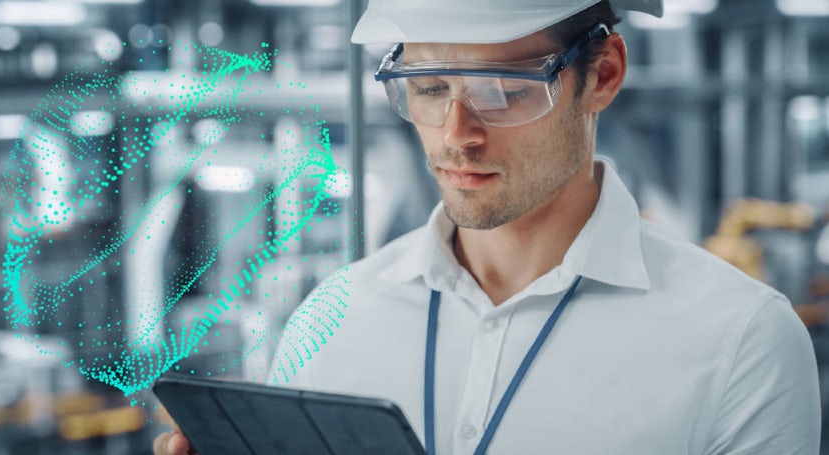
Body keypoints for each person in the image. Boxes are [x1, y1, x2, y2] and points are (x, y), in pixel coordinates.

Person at [155, 0, 821, 453]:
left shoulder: (741, 345)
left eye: (504, 90)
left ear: (604, 74)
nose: (457, 135)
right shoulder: (331, 321)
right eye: (429, 88)